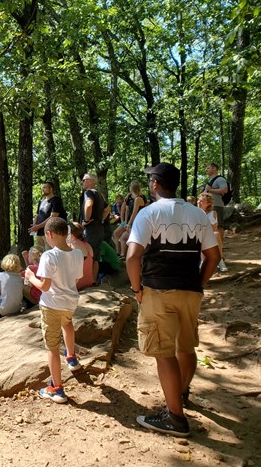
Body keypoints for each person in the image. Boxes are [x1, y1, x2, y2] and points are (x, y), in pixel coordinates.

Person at [126, 162, 219, 437]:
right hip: (190, 291)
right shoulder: (198, 214)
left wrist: (136, 289)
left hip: (158, 290)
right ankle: (180, 394)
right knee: (186, 347)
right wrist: (198, 284)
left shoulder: (148, 214)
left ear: (155, 184)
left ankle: (176, 419)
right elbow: (214, 257)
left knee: (164, 353)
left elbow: (132, 257)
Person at [25, 217, 84, 404]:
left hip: (51, 305)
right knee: (67, 324)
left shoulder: (48, 256)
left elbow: (44, 286)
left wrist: (30, 276)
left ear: (49, 234)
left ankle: (57, 389)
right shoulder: (76, 254)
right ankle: (72, 358)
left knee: (52, 346)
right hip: (70, 303)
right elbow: (76, 280)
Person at [79, 173, 109, 285]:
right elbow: (108, 208)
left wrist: (86, 220)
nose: (82, 182)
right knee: (95, 256)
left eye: (84, 180)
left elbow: (88, 205)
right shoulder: (99, 194)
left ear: (91, 181)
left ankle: (84, 281)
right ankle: (93, 280)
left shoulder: (89, 192)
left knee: (85, 254)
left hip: (90, 229)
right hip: (98, 229)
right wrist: (100, 219)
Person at [204, 163, 228, 272]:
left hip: (217, 205)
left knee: (218, 226)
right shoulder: (210, 180)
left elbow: (224, 190)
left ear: (214, 169)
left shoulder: (220, 179)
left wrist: (210, 190)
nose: (206, 169)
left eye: (208, 167)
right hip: (208, 207)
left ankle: (219, 251)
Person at [29, 181, 67, 249]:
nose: (42, 189)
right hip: (39, 233)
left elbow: (52, 217)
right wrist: (34, 225)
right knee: (38, 255)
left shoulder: (56, 200)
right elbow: (37, 215)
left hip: (50, 233)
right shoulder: (41, 201)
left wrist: (37, 226)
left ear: (51, 189)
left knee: (49, 254)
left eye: (45, 187)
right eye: (42, 188)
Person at [118, 181, 147, 259]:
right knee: (124, 238)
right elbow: (128, 210)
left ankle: (132, 257)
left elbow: (134, 213)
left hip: (137, 223)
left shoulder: (138, 199)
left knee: (128, 239)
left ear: (132, 189)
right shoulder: (133, 198)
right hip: (134, 223)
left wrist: (129, 224)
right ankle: (123, 255)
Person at [197, 193, 226, 272]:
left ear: (208, 204)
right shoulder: (194, 212)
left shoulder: (212, 213)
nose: (199, 202)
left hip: (208, 236)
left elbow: (214, 228)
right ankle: (203, 261)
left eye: (202, 201)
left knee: (216, 234)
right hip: (197, 236)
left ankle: (220, 261)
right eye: (198, 200)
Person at [68, 222, 94, 291]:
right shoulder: (86, 244)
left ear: (71, 234)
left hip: (78, 284)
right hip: (88, 281)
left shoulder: (74, 245)